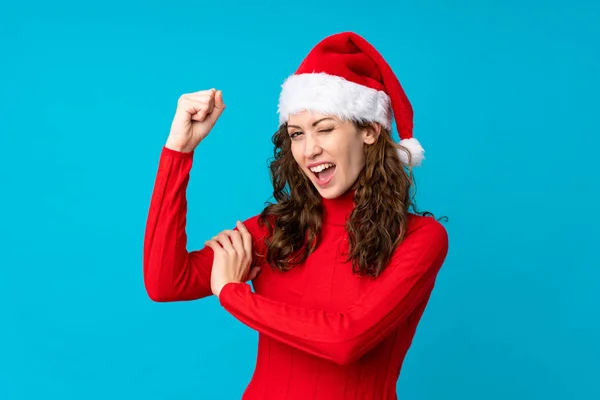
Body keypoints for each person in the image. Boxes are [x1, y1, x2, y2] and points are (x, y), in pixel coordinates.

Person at [143, 31, 449, 400]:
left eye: (325, 129)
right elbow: (165, 283)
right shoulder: (277, 229)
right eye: (297, 134)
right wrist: (179, 150)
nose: (310, 149)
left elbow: (346, 341)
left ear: (368, 131)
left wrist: (232, 293)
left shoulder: (420, 238)